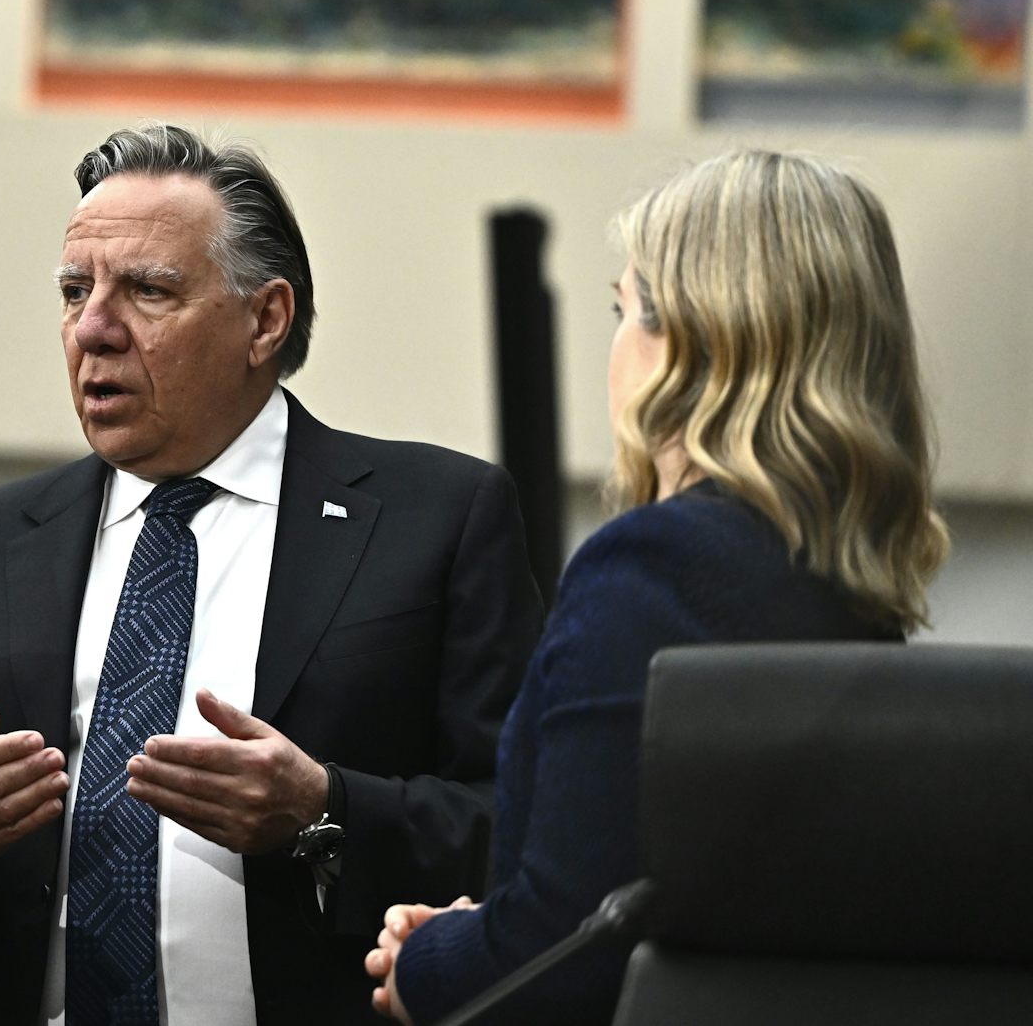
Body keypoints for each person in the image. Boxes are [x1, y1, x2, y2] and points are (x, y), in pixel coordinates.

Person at [0, 123, 543, 1025]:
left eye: (147, 291)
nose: (94, 329)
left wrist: (325, 811)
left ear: (265, 319)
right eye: (75, 291)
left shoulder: (438, 519)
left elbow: (528, 832)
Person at [365, 149, 950, 1024]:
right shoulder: (846, 583)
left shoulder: (652, 570)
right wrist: (483, 933)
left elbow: (569, 959)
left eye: (623, 307)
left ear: (693, 343)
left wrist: (426, 962)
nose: (615, 344)